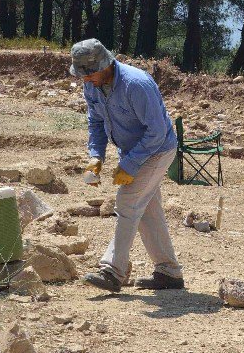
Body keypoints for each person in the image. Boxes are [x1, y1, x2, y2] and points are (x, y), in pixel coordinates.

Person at [73, 39, 184, 293]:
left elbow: (156, 133)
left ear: (105, 64)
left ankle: (113, 271)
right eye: (82, 75)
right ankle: (169, 272)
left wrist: (130, 165)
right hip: (134, 150)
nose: (85, 80)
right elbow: (96, 123)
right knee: (146, 210)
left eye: (89, 73)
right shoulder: (92, 86)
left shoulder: (136, 84)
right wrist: (95, 157)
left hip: (157, 150)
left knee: (127, 201)